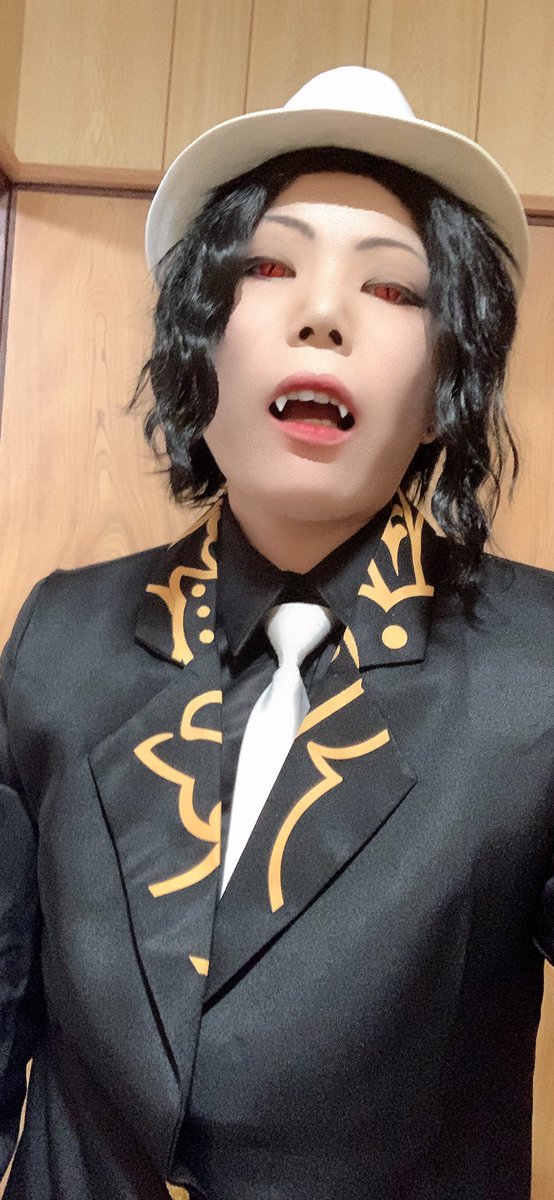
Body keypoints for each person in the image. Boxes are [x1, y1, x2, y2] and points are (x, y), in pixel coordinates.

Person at [0, 66, 552, 1200]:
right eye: (264, 266)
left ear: (446, 380)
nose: (321, 312)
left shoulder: (540, 669)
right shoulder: (59, 636)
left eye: (393, 288)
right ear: (199, 341)